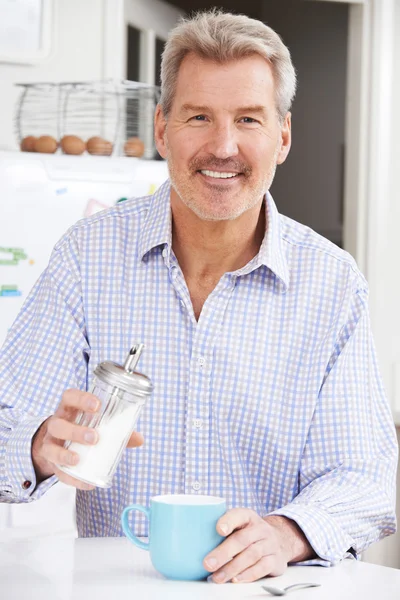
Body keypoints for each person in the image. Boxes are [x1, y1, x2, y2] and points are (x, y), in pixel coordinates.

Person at [0, 9, 397, 584]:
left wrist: (285, 534)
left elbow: (364, 477)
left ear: (282, 136)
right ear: (162, 128)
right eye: (199, 116)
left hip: (268, 590)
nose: (224, 145)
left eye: (249, 119)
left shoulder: (332, 283)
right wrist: (41, 447)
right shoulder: (87, 256)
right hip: (118, 591)